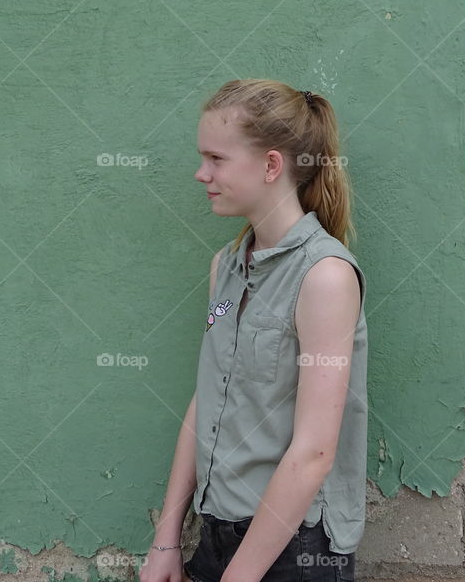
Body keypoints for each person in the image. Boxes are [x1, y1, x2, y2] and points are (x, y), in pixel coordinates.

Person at [139, 79, 368, 582]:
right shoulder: (226, 266)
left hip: (295, 549)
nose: (202, 174)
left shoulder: (324, 276)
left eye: (216, 159)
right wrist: (167, 538)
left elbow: (313, 453)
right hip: (217, 534)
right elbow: (206, 399)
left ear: (270, 166)